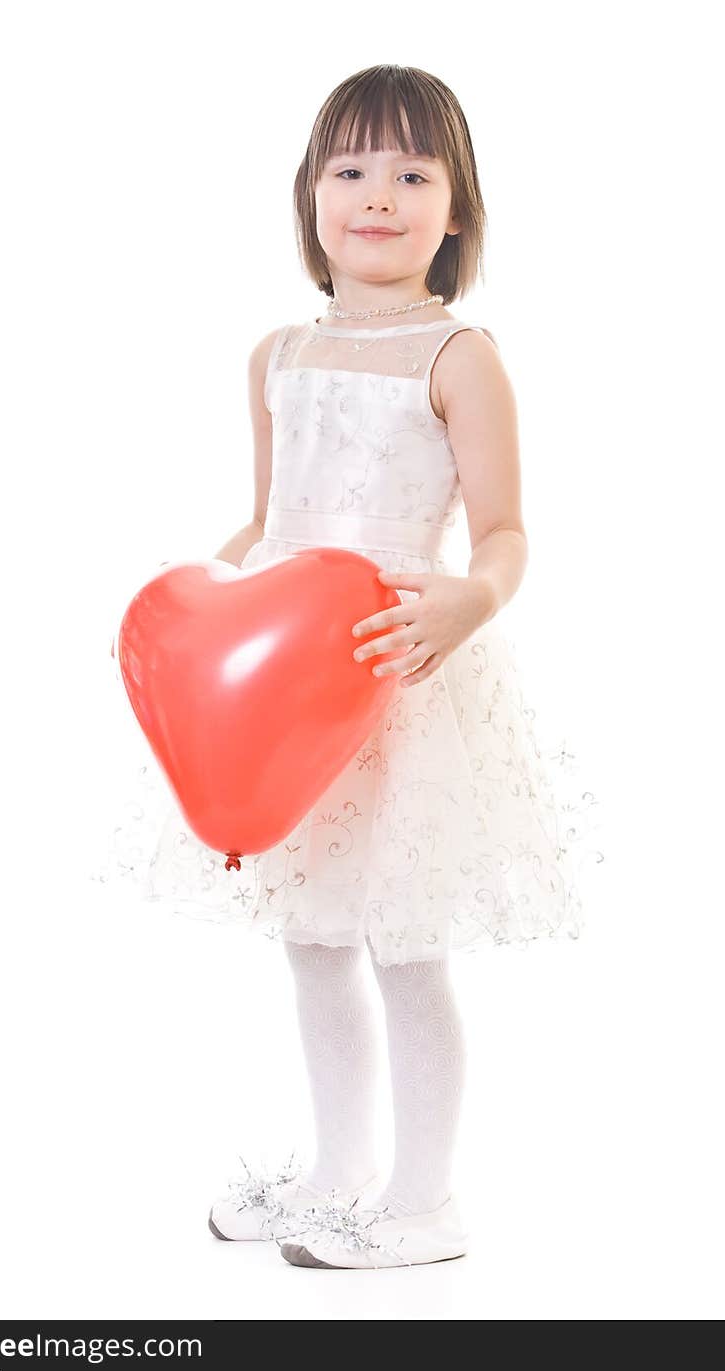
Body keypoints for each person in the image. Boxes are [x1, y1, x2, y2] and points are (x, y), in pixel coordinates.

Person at [93, 64, 603, 1269]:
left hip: (392, 675)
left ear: (458, 209)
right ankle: (341, 1169)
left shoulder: (460, 355)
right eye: (352, 168)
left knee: (402, 941)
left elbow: (506, 532)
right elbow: (267, 525)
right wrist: (180, 630)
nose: (379, 195)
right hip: (279, 697)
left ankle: (426, 1201)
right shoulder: (278, 352)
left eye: (413, 173)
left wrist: (470, 601)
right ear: (310, 196)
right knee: (311, 936)